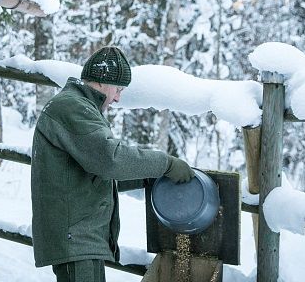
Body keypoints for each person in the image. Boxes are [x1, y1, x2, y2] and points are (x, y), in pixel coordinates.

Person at [30, 46, 194, 281]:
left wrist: (148, 176)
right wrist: (165, 164)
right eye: (118, 89)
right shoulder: (73, 108)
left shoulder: (79, 106)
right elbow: (110, 160)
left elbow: (95, 171)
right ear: (102, 81)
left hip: (80, 235)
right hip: (75, 236)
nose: (118, 98)